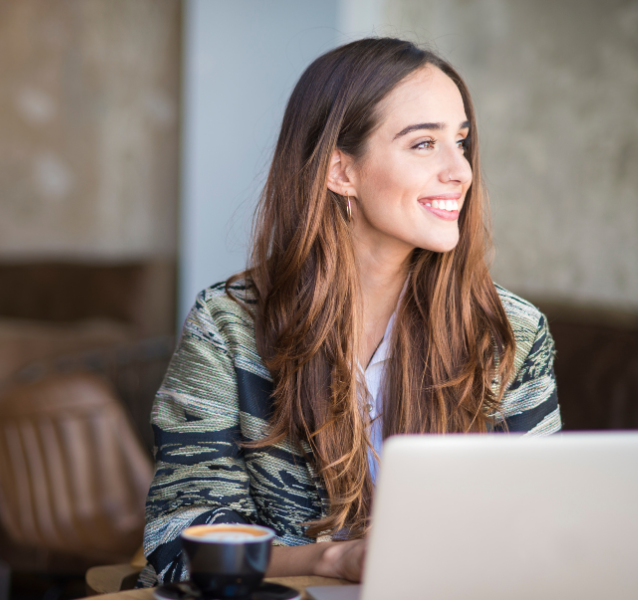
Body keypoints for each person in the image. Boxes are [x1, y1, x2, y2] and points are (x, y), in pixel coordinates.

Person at [137, 37, 561, 587]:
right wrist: (334, 559)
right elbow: (181, 540)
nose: (461, 171)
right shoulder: (228, 327)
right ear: (341, 171)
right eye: (423, 145)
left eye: (461, 141)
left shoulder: (511, 333)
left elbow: (542, 527)